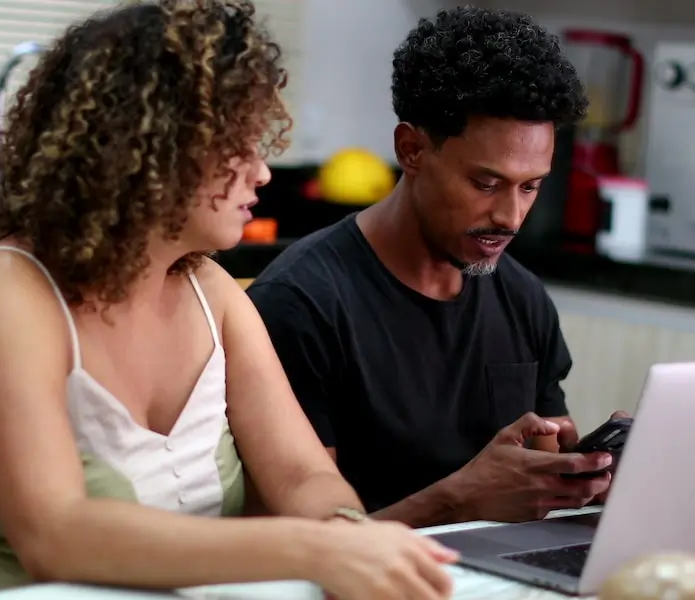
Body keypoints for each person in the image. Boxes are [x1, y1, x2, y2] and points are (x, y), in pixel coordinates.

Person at [0, 2, 456, 599]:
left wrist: (348, 533)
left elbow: (301, 473)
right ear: (153, 150)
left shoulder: (211, 292)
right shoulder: (5, 293)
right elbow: (54, 535)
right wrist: (315, 549)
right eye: (238, 144)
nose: (263, 173)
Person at [247, 6, 621, 528]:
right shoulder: (300, 304)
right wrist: (456, 501)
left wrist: (587, 473)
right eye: (485, 184)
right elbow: (293, 540)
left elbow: (545, 451)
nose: (510, 217)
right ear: (412, 150)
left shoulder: (524, 300)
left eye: (530, 186)